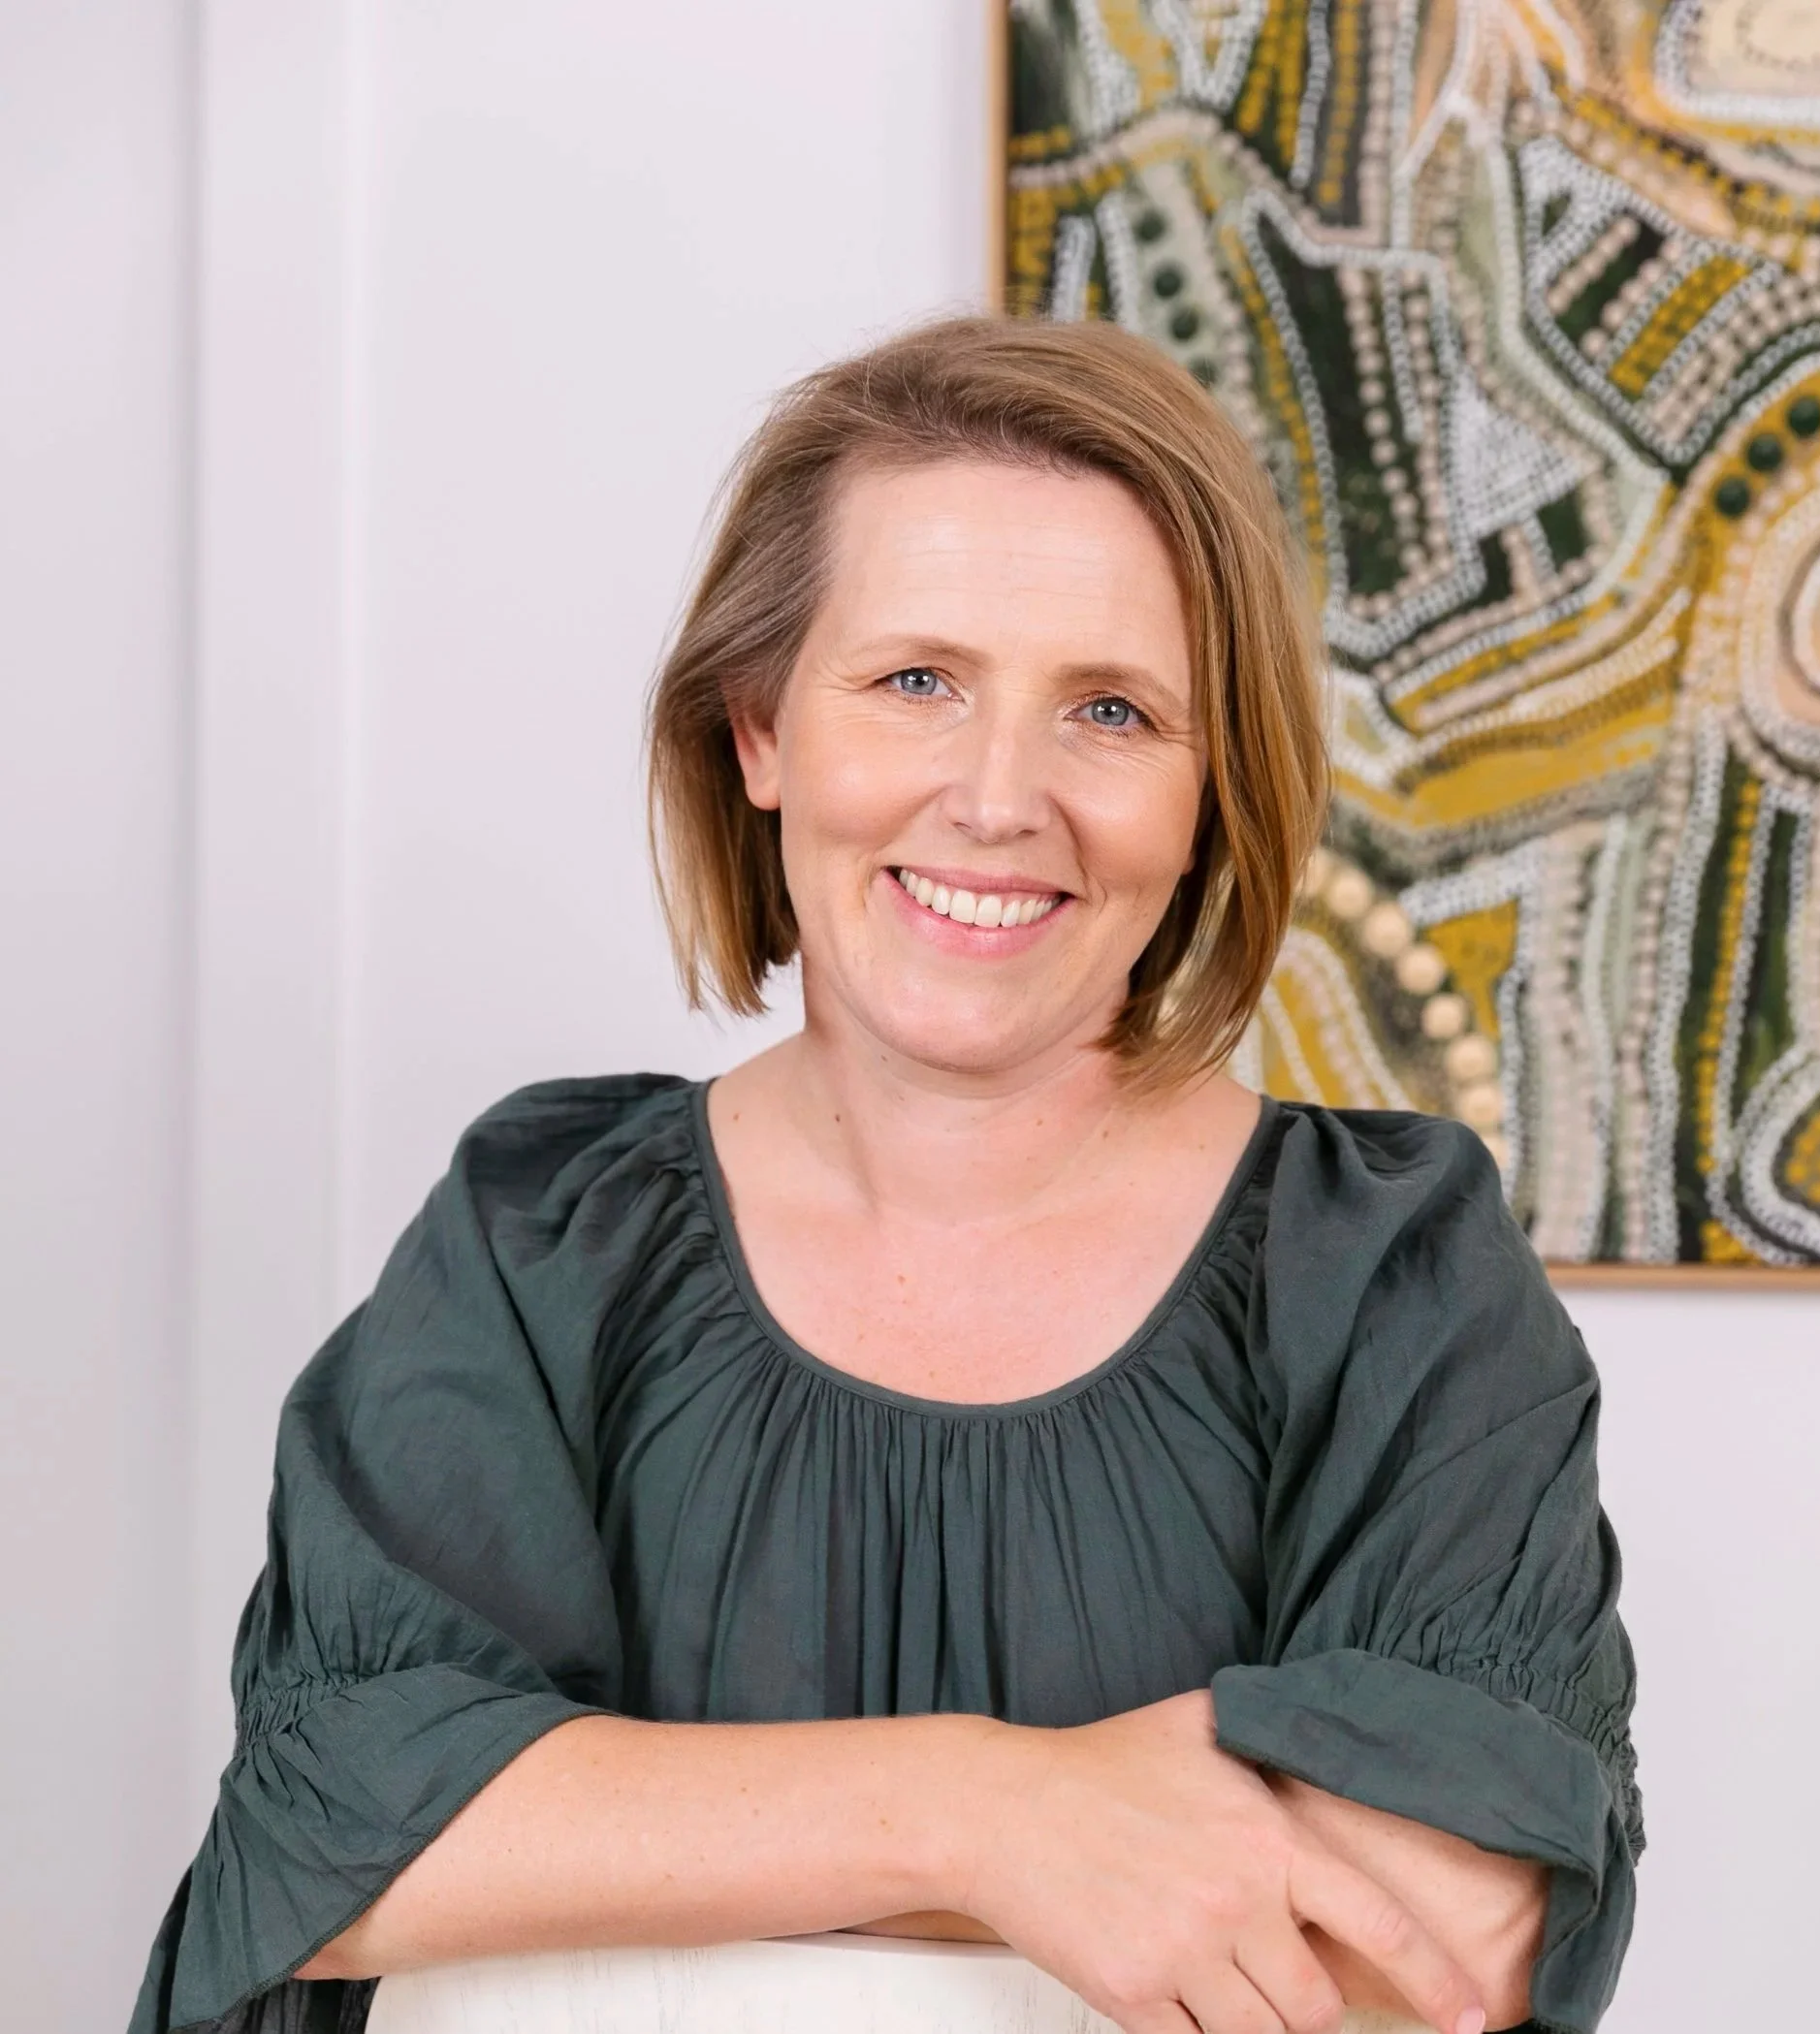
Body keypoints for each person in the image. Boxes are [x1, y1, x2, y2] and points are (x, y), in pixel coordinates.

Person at [132, 318, 1641, 2034]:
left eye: (1112, 709)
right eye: (917, 679)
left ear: (1211, 788)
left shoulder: (1386, 1276)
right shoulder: (541, 1238)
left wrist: (625, 1827)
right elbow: (339, 1847)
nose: (998, 797)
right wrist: (996, 1810)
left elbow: (1452, 1911)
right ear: (761, 731)